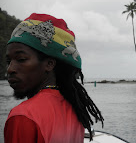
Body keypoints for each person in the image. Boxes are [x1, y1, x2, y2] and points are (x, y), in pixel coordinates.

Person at [4, 13, 104, 143]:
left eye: (21, 59)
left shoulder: (24, 116)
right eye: (8, 61)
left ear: (49, 64)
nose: (10, 69)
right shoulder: (75, 110)